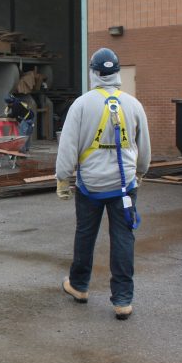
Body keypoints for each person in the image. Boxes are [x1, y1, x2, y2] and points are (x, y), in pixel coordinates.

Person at [55, 48, 150, 320]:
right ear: (116, 73)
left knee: (85, 234)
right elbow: (144, 146)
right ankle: (122, 300)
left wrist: (63, 178)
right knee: (123, 238)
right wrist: (141, 172)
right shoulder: (133, 105)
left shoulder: (81, 105)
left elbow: (68, 146)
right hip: (124, 185)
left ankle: (79, 285)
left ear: (93, 73)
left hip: (91, 186)